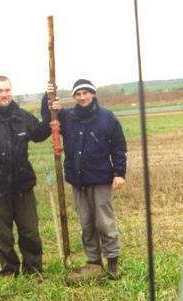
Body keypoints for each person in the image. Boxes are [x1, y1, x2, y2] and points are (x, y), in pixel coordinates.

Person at [42, 78, 127, 280]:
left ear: (93, 94)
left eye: (85, 93)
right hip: (77, 180)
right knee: (86, 223)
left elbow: (118, 147)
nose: (82, 97)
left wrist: (119, 173)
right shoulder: (68, 116)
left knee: (104, 222)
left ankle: (113, 261)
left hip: (100, 179)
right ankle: (93, 261)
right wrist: (49, 97)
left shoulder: (107, 117)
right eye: (78, 94)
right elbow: (48, 119)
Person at [0, 76, 51, 276]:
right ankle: (9, 271)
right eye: (0, 91)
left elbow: (41, 133)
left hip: (22, 186)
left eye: (7, 90)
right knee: (3, 235)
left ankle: (33, 270)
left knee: (30, 232)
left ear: (11, 92)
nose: (4, 94)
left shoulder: (22, 116)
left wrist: (47, 104)